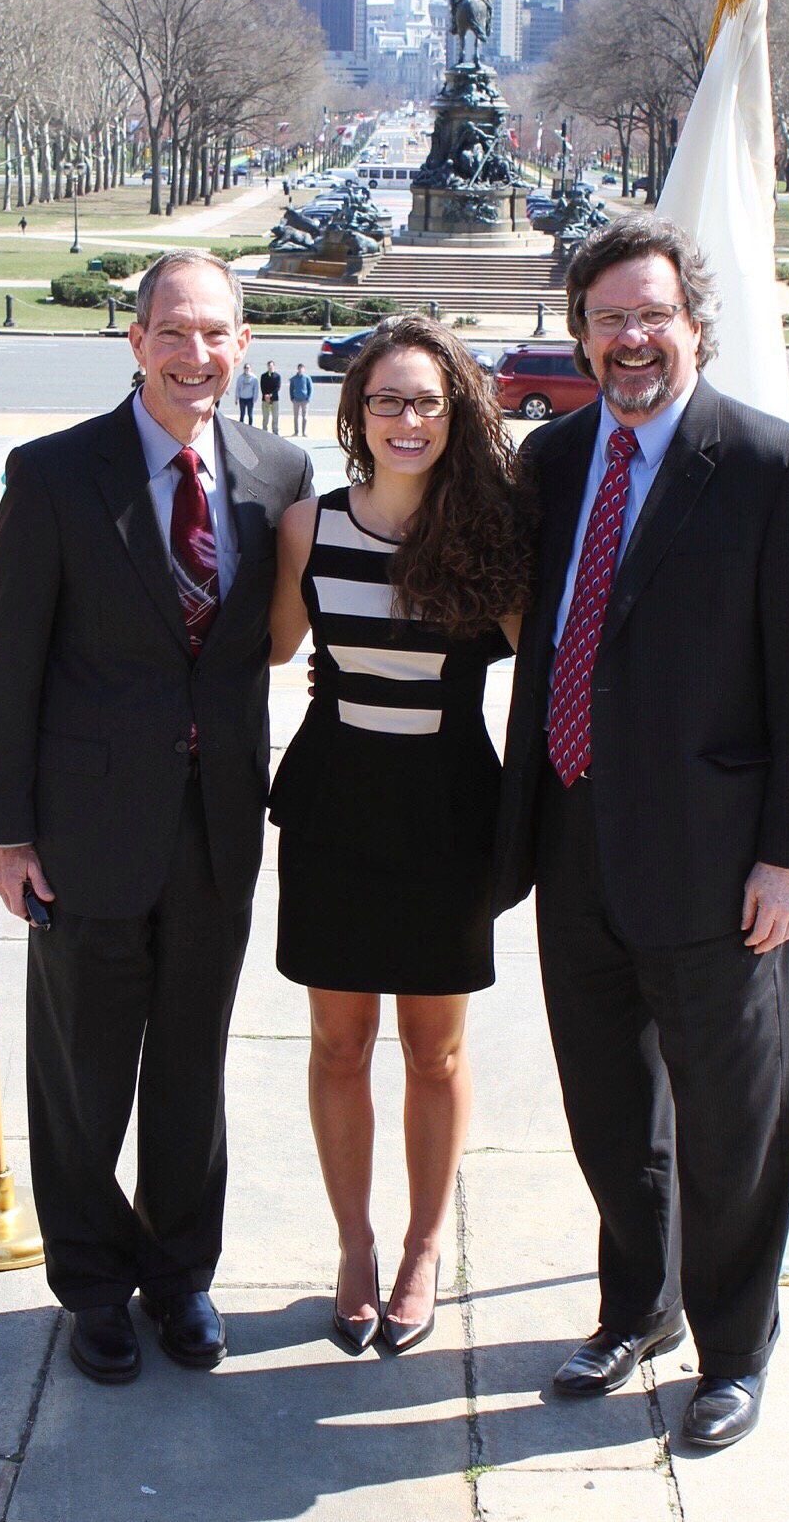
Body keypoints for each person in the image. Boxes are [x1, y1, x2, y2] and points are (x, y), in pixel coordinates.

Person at [493, 213, 789, 1452]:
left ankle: (735, 1349)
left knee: (732, 1117)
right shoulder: (549, 463)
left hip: (721, 863)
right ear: (581, 332)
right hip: (573, 841)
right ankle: (634, 1306)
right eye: (606, 319)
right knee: (608, 1106)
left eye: (652, 315)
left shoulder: (777, 468)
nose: (630, 338)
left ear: (695, 322)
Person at [0, 251, 314, 1387]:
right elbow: (8, 662)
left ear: (245, 344)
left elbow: (278, 639)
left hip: (218, 828)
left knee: (189, 1067)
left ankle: (180, 1274)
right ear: (136, 341)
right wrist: (7, 830)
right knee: (81, 1073)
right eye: (173, 331)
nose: (195, 353)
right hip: (83, 834)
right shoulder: (57, 474)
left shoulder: (278, 475)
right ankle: (93, 1284)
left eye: (216, 332)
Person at [268, 317, 533, 1358]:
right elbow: (273, 646)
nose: (407, 418)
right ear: (357, 412)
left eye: (427, 400)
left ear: (455, 413)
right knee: (339, 1042)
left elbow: (553, 658)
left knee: (436, 1046)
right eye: (388, 399)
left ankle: (425, 1245)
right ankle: (353, 1243)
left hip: (448, 816)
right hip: (335, 809)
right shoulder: (307, 529)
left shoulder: (489, 538)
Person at [289, 363, 313, 437]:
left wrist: (308, 398)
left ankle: (304, 432)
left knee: (305, 417)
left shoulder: (307, 378)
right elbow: (291, 389)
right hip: (296, 400)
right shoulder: (294, 378)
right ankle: (296, 432)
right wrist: (292, 398)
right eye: (299, 368)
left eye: (302, 368)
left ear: (304, 369)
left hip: (304, 400)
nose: (300, 370)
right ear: (297, 369)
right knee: (296, 417)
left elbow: (310, 388)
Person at [260, 360, 282, 435]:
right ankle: (264, 430)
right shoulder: (264, 376)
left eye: (271, 366)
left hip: (274, 400)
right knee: (265, 416)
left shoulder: (277, 376)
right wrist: (265, 395)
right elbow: (262, 386)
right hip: (265, 400)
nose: (270, 367)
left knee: (275, 416)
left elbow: (278, 387)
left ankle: (275, 431)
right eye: (269, 366)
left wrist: (271, 395)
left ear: (273, 366)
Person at [235, 360, 259, 426]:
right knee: (242, 414)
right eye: (245, 368)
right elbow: (238, 388)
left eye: (248, 368)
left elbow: (256, 389)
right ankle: (241, 427)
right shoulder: (240, 378)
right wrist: (236, 398)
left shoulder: (254, 378)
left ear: (250, 369)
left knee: (250, 414)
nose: (246, 369)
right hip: (242, 398)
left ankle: (250, 427)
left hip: (250, 398)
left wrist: (255, 398)